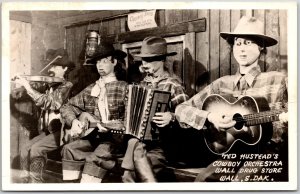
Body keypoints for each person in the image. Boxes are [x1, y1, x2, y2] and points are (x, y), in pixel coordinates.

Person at [175, 16, 288, 182]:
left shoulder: (279, 80)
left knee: (239, 183)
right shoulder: (221, 84)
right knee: (201, 181)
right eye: (238, 43)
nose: (241, 49)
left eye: (248, 43)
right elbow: (181, 110)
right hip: (231, 155)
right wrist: (210, 117)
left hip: (267, 156)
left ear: (261, 46)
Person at [121, 36, 189, 182]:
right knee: (128, 172)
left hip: (163, 147)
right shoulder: (140, 85)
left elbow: (188, 119)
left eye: (149, 60)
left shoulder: (173, 85)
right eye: (143, 60)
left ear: (162, 60)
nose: (144, 64)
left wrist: (171, 117)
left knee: (132, 173)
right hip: (139, 145)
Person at [60, 41, 128, 183]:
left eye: (104, 61)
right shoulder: (91, 88)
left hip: (114, 142)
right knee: (69, 149)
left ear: (114, 62)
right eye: (97, 62)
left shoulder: (123, 87)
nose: (100, 66)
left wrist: (114, 126)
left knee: (95, 158)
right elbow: (67, 106)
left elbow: (128, 120)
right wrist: (73, 121)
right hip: (93, 138)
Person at [14, 48, 75, 183]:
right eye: (50, 65)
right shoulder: (49, 85)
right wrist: (22, 83)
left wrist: (28, 87)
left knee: (36, 149)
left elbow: (50, 103)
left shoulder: (67, 86)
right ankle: (25, 183)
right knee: (24, 149)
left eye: (55, 66)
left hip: (63, 130)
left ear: (65, 69)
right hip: (50, 130)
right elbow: (33, 89)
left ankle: (36, 183)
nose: (50, 69)